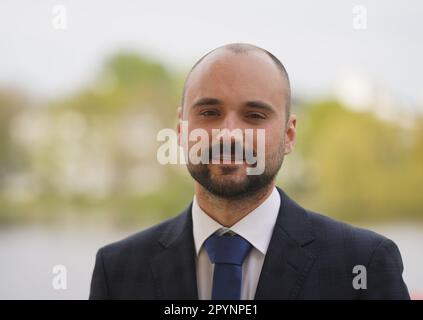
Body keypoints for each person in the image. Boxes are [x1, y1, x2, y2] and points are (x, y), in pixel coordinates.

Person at [89, 43, 410, 300]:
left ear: (289, 135)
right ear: (181, 129)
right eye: (210, 112)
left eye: (255, 115)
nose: (229, 133)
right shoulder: (117, 270)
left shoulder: (363, 263)